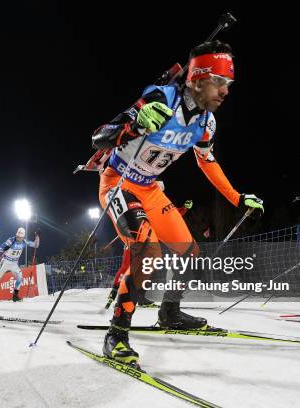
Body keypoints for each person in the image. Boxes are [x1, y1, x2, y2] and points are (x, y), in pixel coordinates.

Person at [90, 40, 264, 364]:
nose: (225, 91)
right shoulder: (160, 97)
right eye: (219, 82)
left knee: (190, 252)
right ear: (198, 79)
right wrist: (135, 125)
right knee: (147, 249)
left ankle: (170, 311)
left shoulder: (205, 123)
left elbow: (207, 161)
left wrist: (237, 198)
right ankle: (116, 334)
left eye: (229, 84)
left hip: (150, 189)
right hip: (118, 182)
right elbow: (100, 136)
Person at [0, 228, 40, 302]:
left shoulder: (24, 241)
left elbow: (36, 245)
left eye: (20, 237)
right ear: (16, 235)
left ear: (23, 237)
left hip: (14, 263)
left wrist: (37, 236)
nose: (18, 238)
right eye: (18, 236)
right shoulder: (11, 240)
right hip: (5, 262)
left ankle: (15, 296)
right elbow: (1, 247)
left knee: (20, 278)